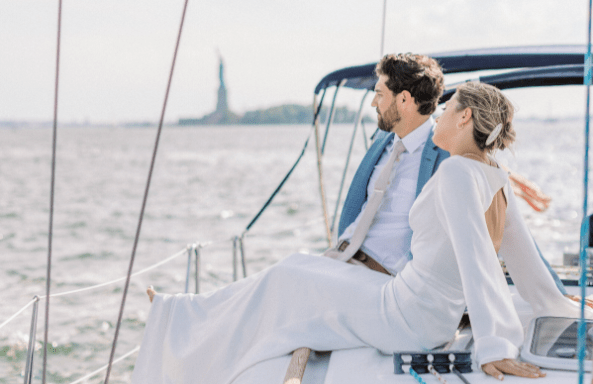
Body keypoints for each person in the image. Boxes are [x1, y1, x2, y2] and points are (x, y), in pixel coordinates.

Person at [131, 81, 586, 384]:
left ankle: (178, 326)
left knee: (287, 276)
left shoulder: (454, 175)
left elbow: (478, 260)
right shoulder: (493, 175)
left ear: (465, 119)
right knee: (297, 269)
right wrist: (558, 304)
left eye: (447, 109)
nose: (440, 117)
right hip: (413, 303)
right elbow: (525, 263)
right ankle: (183, 315)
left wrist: (494, 345)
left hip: (408, 316)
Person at [332, 53, 565, 294]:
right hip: (341, 260)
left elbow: (512, 231)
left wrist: (556, 293)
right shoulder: (383, 139)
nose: (373, 103)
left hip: (385, 282)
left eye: (379, 94)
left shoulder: (448, 151)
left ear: (403, 100)